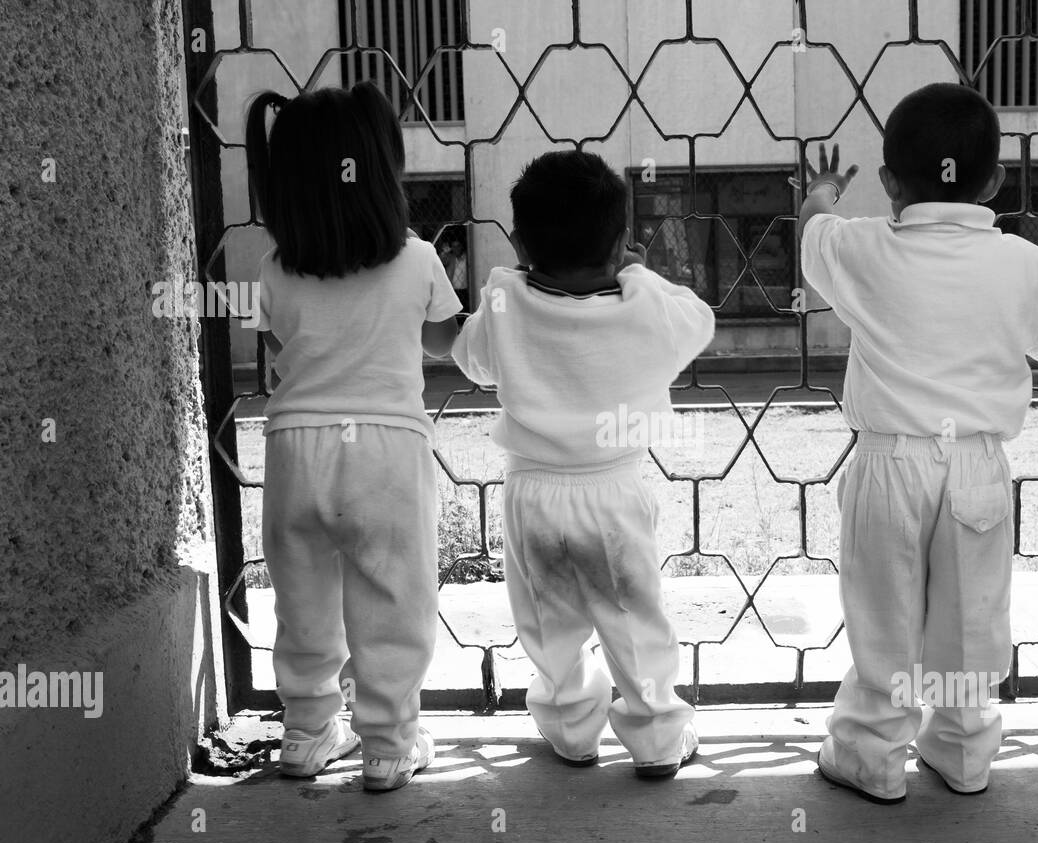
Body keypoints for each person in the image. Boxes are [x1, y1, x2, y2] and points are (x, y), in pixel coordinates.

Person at [798, 83, 1038, 803]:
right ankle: (962, 752)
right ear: (995, 180)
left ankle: (872, 758)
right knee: (970, 617)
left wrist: (825, 188)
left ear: (889, 182)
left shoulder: (859, 248)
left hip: (889, 461)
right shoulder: (1032, 266)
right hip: (978, 467)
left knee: (882, 618)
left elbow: (812, 228)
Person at [451, 149, 714, 777]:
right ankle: (654, 737)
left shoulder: (505, 303)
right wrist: (640, 274)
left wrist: (507, 287)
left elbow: (472, 359)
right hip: (615, 495)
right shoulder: (645, 306)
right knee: (634, 622)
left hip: (533, 494)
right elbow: (698, 323)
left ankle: (571, 730)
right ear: (622, 243)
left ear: (519, 242)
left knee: (548, 625)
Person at [244, 82, 462, 792]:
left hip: (295, 448)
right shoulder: (418, 258)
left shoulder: (274, 270)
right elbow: (439, 341)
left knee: (302, 601)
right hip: (387, 452)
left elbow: (284, 341)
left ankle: (307, 733)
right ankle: (389, 744)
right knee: (394, 599)